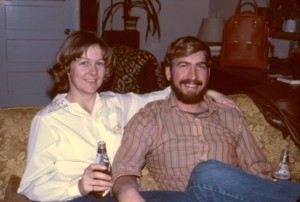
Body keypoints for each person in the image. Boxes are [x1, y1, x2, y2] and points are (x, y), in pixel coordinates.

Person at [17, 31, 233, 201]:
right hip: (77, 198)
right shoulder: (49, 120)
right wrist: (79, 186)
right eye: (84, 63)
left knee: (192, 198)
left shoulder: (117, 104)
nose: (93, 72)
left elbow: (159, 95)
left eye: (99, 63)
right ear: (66, 68)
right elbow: (31, 185)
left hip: (120, 196)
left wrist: (204, 90)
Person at [111, 36, 300, 202]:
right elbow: (124, 169)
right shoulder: (150, 116)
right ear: (169, 73)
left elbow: (258, 170)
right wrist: (129, 194)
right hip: (180, 198)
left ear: (209, 73)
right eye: (183, 66)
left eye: (200, 67)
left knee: (210, 173)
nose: (192, 76)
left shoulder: (230, 115)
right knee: (207, 172)